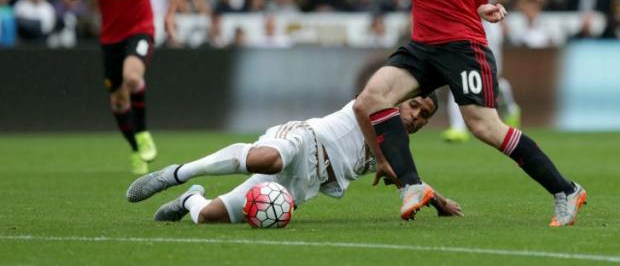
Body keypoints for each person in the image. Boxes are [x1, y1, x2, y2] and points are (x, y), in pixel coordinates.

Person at [342, 0, 586, 226]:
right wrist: (480, 1)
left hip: (460, 45)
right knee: (371, 99)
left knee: (485, 126)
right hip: (424, 45)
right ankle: (411, 186)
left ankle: (566, 190)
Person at [125, 94, 463, 224]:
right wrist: (381, 156)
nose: (416, 116)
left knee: (209, 217)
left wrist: (440, 203)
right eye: (414, 105)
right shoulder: (376, 104)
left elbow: (411, 184)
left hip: (300, 186)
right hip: (305, 141)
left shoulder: (396, 154)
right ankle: (177, 174)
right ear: (400, 101)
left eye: (424, 115)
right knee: (269, 158)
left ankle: (190, 198)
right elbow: (362, 108)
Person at [64, 0, 181, 175]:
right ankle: (135, 148)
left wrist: (170, 14)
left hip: (141, 28)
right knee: (117, 100)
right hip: (110, 37)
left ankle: (142, 134)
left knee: (132, 77)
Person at [442, 0, 521, 143]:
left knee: (492, 79)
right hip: (460, 27)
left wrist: (487, 5)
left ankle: (510, 108)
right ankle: (457, 128)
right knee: (457, 75)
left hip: (487, 28)